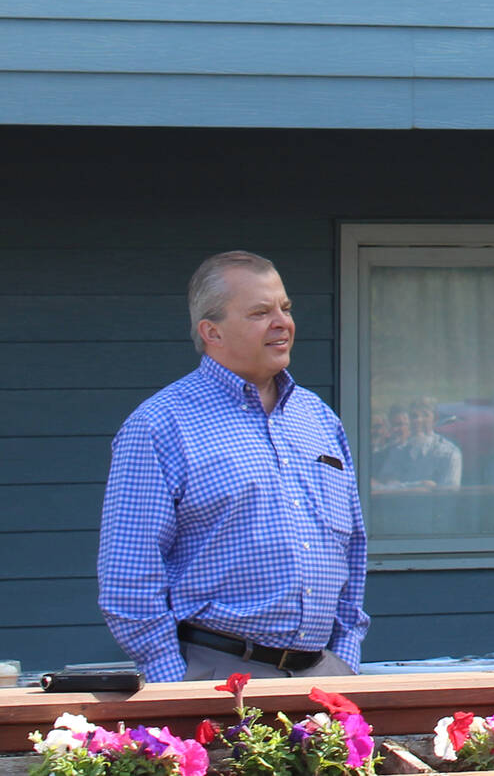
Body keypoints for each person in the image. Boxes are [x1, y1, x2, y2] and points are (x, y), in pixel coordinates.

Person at [98, 251, 370, 682]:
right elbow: (129, 577)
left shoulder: (319, 419)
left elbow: (352, 548)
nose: (282, 322)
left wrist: (345, 657)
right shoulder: (160, 424)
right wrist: (175, 684)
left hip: (324, 675)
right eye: (260, 312)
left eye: (286, 308)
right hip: (218, 675)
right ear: (212, 332)